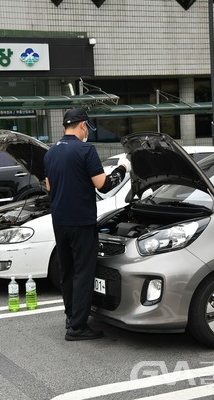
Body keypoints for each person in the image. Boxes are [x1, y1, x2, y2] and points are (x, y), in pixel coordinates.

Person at [44, 108, 130, 341]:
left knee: (68, 271)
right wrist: (122, 169)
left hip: (59, 221)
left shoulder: (51, 152)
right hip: (81, 221)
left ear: (64, 127)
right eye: (86, 129)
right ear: (83, 125)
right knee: (84, 272)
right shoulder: (85, 150)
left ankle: (71, 316)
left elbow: (49, 186)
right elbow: (103, 185)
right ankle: (78, 327)